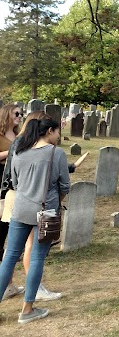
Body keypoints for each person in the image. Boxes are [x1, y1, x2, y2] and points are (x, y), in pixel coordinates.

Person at [1, 111, 85, 302]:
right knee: (37, 257)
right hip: (45, 211)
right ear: (49, 131)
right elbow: (65, 185)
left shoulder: (20, 150)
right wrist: (57, 201)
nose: (58, 136)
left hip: (20, 209)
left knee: (9, 256)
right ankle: (28, 308)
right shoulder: (56, 153)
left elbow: (15, 181)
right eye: (57, 132)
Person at [0, 104, 23, 299]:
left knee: (9, 235)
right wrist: (12, 152)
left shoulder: (17, 135)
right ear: (6, 114)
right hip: (0, 185)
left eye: (21, 114)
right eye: (16, 113)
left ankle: (8, 284)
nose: (19, 116)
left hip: (13, 188)